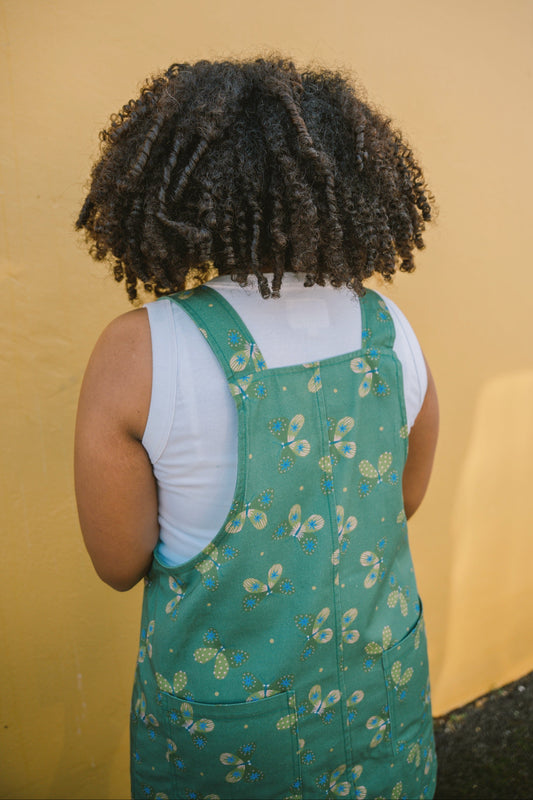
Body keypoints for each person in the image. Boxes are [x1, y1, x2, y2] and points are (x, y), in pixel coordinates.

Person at [75, 56, 439, 800]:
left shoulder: (142, 349)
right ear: (349, 180)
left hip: (234, 741)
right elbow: (397, 500)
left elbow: (118, 563)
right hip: (380, 701)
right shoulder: (385, 326)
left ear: (172, 187)